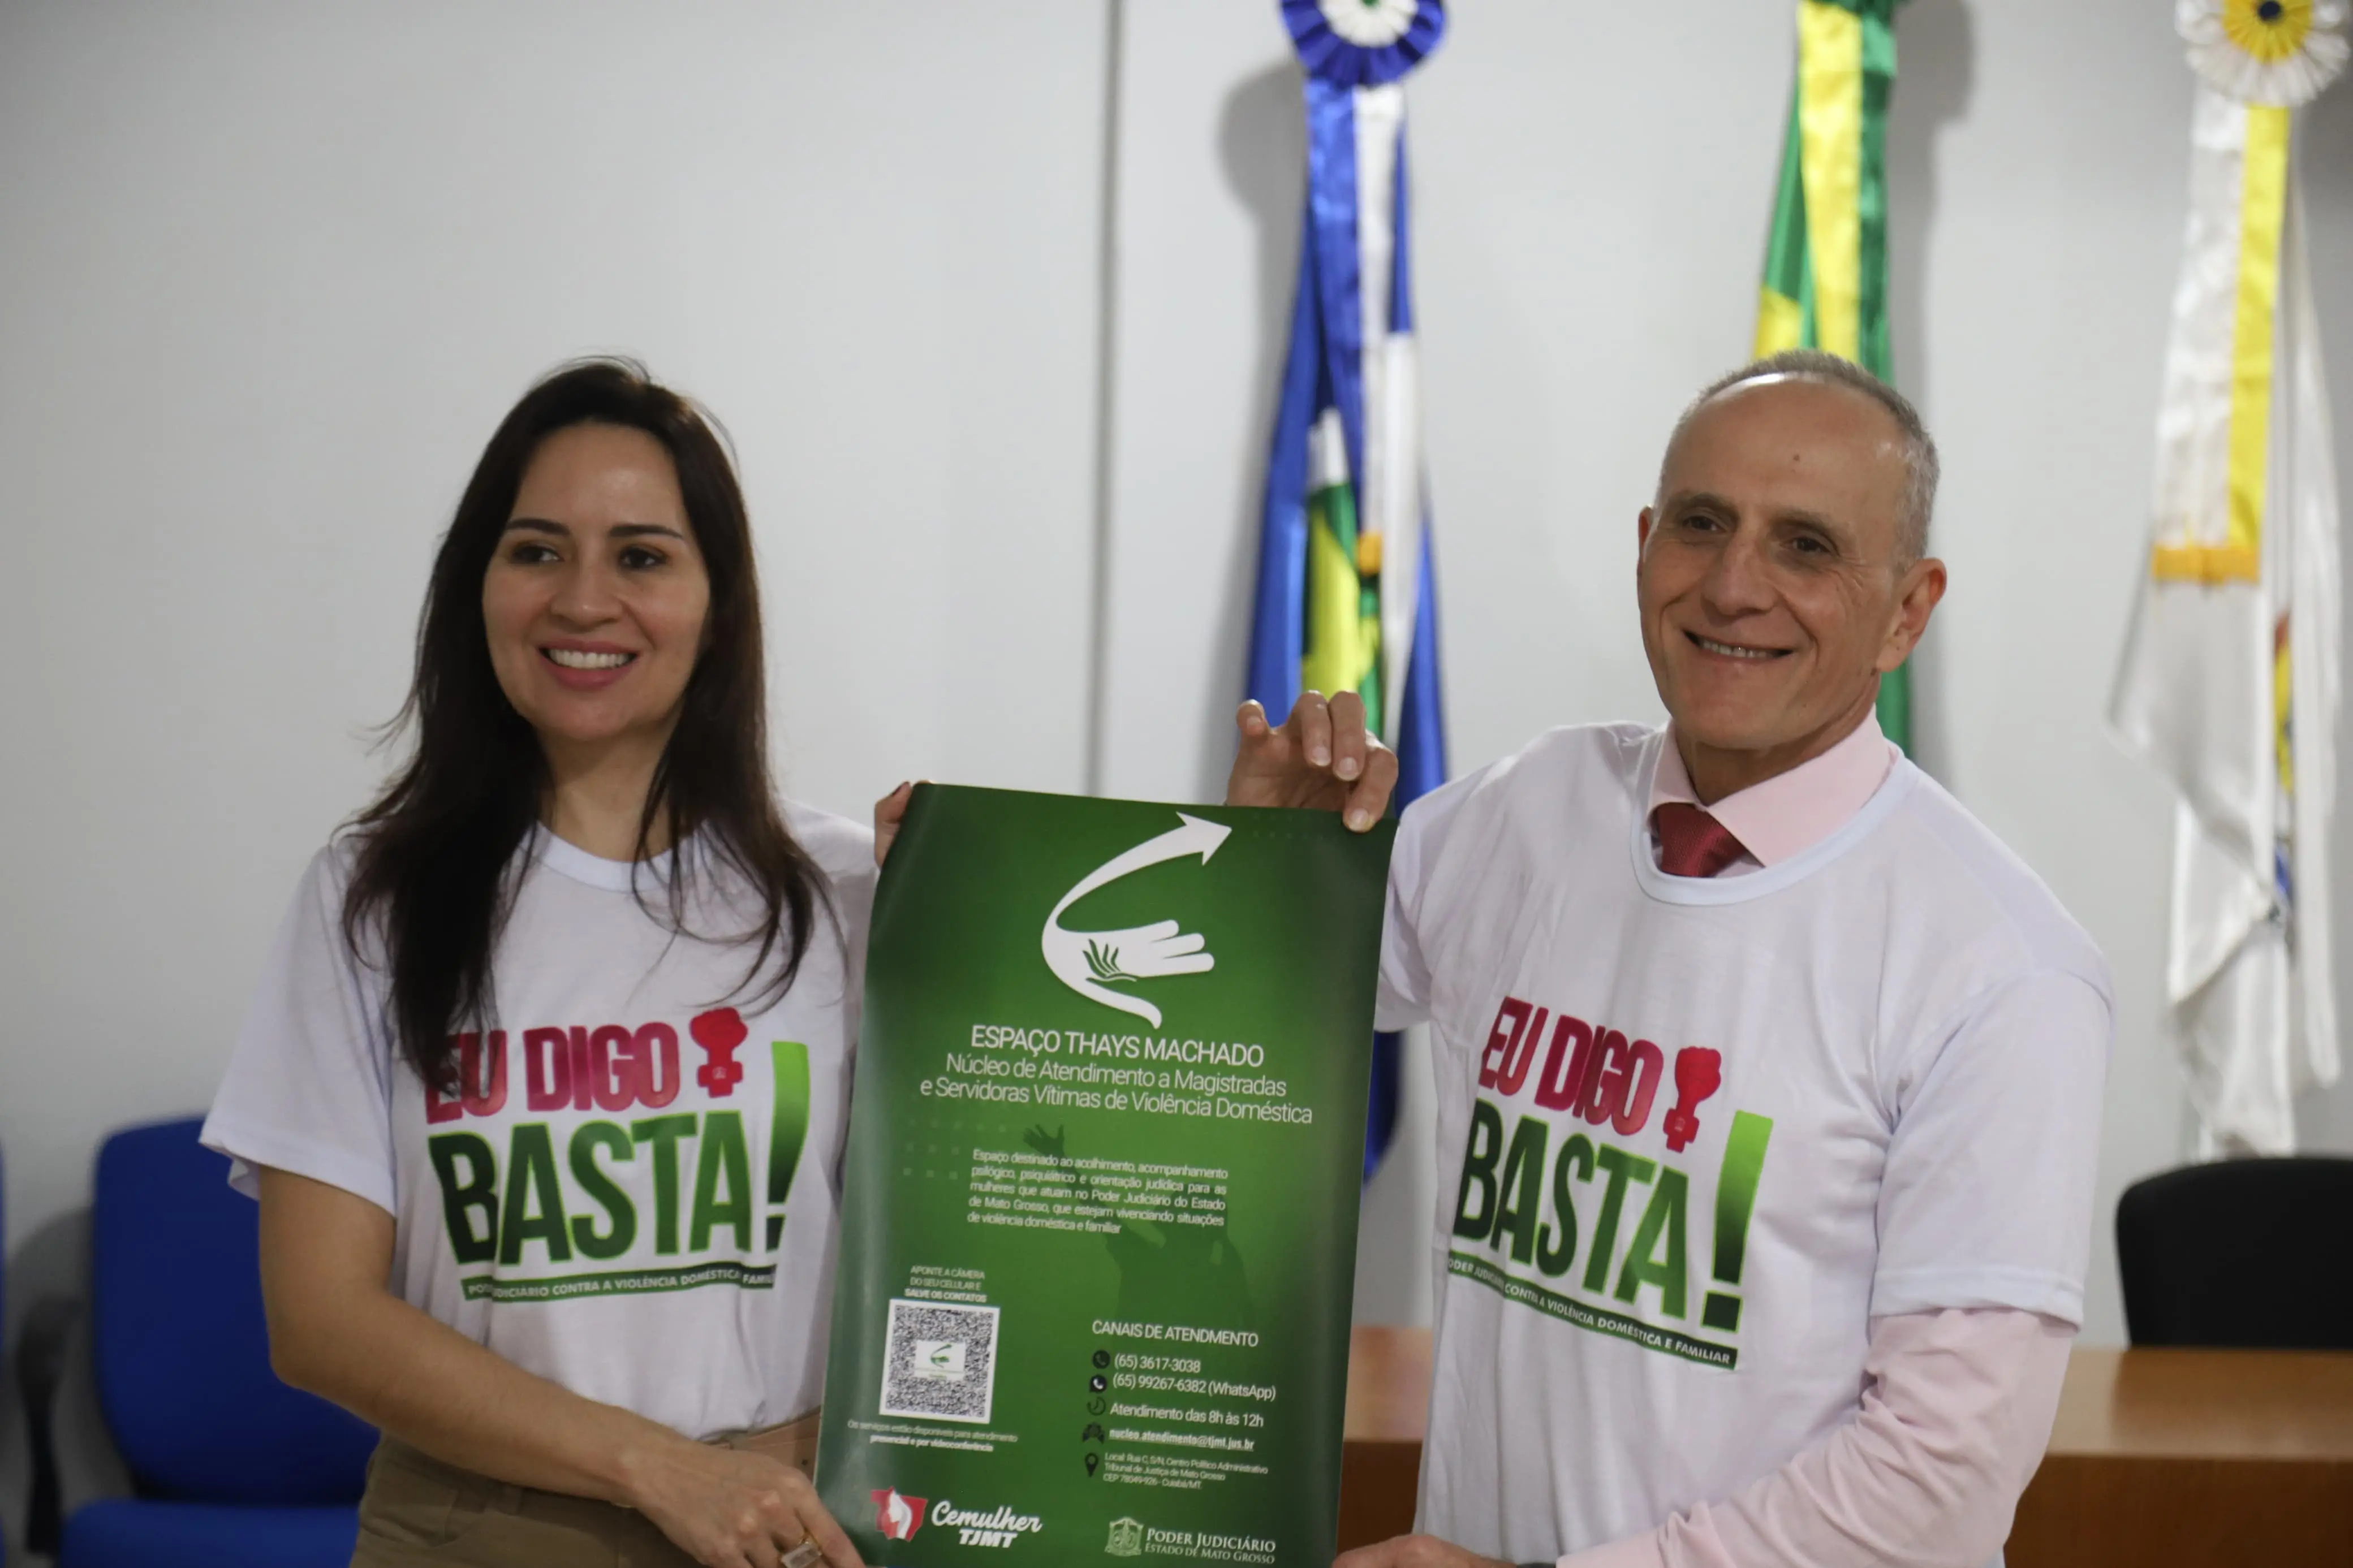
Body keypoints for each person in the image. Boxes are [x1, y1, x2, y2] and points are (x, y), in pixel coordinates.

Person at [202, 358, 1397, 1568]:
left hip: (795, 1526)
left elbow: (1110, 1158)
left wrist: (1261, 864)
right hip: (474, 1528)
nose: (583, 599)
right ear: (478, 586)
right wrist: (656, 1468)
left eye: (643, 556)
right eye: (536, 550)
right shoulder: (375, 901)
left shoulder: (852, 893)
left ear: (718, 605)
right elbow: (322, 1323)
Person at [1313, 351, 2112, 1568]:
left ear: (1907, 609)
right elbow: (1265, 1010)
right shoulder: (1524, 812)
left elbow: (1938, 1484)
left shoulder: (2002, 972)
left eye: (1805, 546)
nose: (1735, 584)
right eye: (1701, 524)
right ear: (1644, 546)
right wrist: (1260, 861)